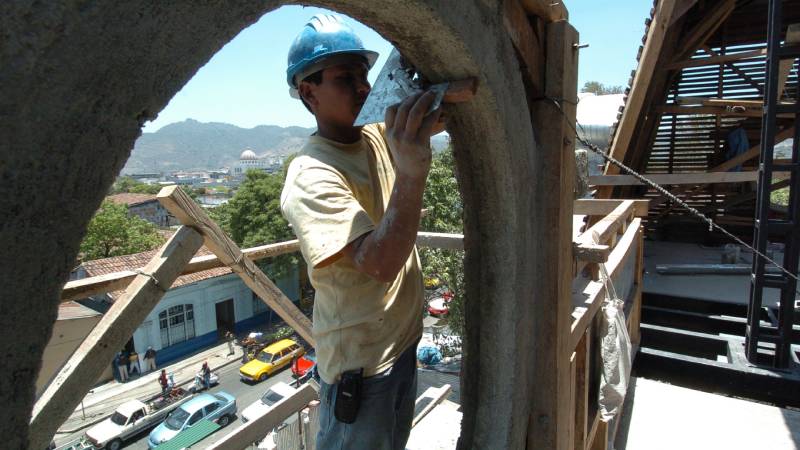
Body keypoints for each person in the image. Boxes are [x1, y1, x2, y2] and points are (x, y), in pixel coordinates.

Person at [280, 14, 442, 450]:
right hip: (363, 370)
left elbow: (434, 110)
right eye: (345, 77)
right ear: (309, 92)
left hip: (402, 344)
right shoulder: (311, 174)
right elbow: (379, 263)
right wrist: (412, 173)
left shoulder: (374, 134)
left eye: (364, 73)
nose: (364, 87)